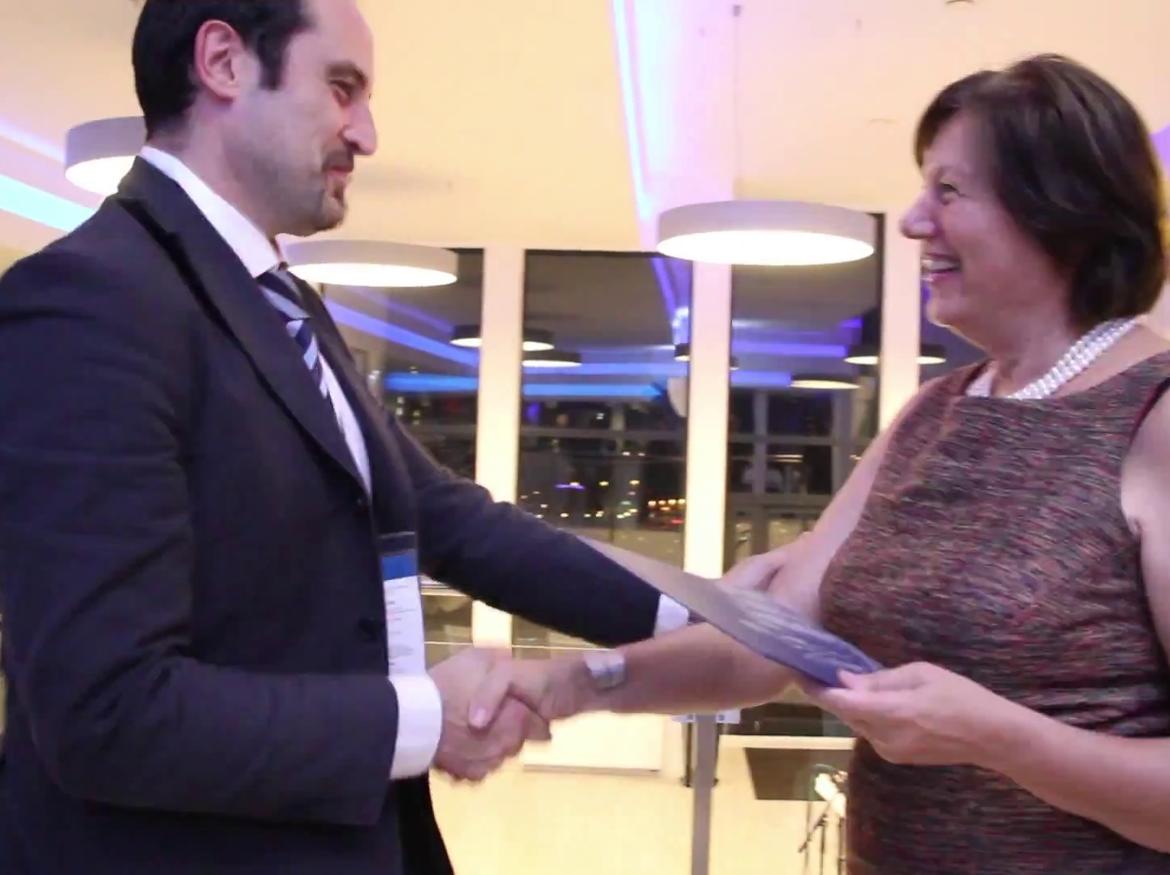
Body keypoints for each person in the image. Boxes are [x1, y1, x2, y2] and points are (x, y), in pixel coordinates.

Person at [0, 2, 782, 873]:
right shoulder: (90, 303)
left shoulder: (280, 301)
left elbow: (449, 519)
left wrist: (712, 611)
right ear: (223, 62)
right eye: (342, 88)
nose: (366, 135)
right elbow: (105, 710)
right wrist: (423, 719)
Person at [481, 54, 1170, 873]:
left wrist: (998, 736)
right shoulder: (934, 412)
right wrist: (572, 683)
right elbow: (768, 644)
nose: (912, 221)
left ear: (1063, 212)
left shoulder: (1151, 416)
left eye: (949, 191)